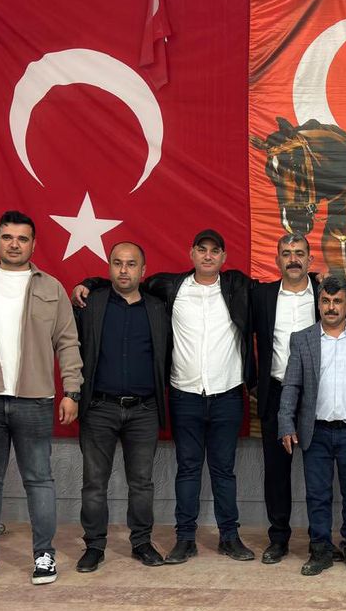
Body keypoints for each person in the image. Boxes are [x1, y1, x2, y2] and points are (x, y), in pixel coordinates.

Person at [76, 229, 256, 564]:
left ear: (223, 257)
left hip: (227, 394)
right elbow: (125, 282)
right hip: (184, 394)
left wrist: (316, 280)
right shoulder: (170, 288)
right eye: (201, 249)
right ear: (191, 254)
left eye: (214, 251)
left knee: (224, 471)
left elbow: (279, 291)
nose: (207, 256)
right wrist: (90, 282)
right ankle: (184, 539)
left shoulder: (238, 287)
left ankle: (229, 537)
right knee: (187, 469)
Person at [0, 211, 82, 587]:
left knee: (39, 479)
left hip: (35, 398)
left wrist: (72, 390)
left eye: (22, 238)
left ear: (33, 244)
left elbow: (68, 341)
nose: (14, 244)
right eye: (8, 237)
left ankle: (44, 554)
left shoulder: (51, 287)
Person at [73, 242, 171, 573]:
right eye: (117, 263)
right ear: (109, 267)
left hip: (144, 410)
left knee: (142, 482)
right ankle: (94, 545)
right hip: (99, 407)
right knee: (94, 483)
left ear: (143, 270)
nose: (124, 270)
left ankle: (141, 542)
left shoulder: (158, 308)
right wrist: (88, 283)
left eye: (131, 264)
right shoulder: (91, 303)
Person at [277, 277, 346, 576]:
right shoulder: (302, 339)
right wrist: (286, 422)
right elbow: (291, 384)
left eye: (337, 301)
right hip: (316, 431)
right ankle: (320, 550)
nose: (331, 308)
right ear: (318, 304)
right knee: (317, 495)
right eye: (326, 302)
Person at [248, 234, 320, 565]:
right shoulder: (262, 296)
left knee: (319, 471)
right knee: (277, 473)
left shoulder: (323, 293)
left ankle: (320, 540)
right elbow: (241, 334)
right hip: (276, 393)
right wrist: (253, 382)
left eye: (299, 253)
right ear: (277, 260)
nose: (293, 259)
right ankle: (278, 539)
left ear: (309, 260)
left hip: (317, 394)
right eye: (287, 253)